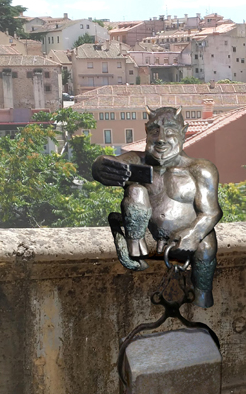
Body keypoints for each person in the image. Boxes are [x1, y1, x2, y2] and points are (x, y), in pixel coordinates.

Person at [91, 106, 221, 308]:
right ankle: (134, 246)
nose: (160, 138)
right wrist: (101, 166)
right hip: (147, 237)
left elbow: (211, 212)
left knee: (207, 245)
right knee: (136, 190)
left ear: (183, 132)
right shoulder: (138, 162)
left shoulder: (199, 169)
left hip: (184, 241)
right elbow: (114, 164)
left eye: (169, 131)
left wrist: (193, 235)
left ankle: (202, 295)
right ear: (146, 132)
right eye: (154, 131)